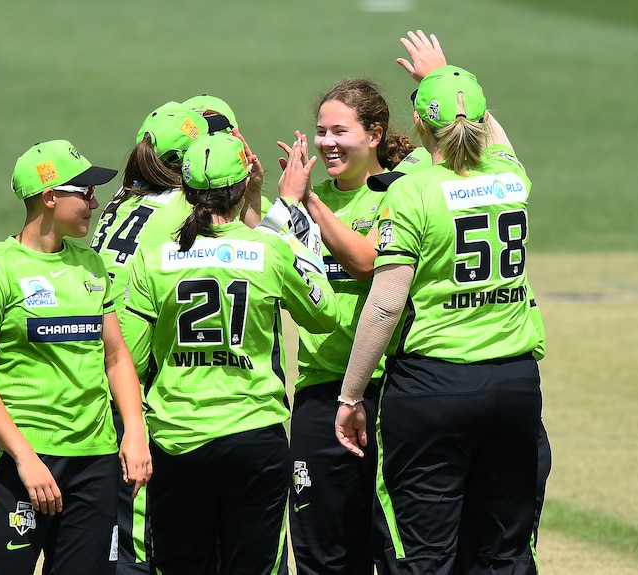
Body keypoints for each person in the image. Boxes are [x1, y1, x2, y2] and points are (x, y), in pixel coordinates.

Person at [335, 30, 543, 575]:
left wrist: (351, 395)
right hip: (516, 385)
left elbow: (384, 306)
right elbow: (493, 134)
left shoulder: (413, 189)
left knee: (424, 555)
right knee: (504, 552)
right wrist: (447, 79)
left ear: (420, 126)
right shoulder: (511, 179)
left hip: (434, 390)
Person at [118, 131, 341, 574]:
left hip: (178, 439)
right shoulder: (270, 250)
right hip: (254, 436)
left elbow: (132, 353)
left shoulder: (155, 256)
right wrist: (293, 232)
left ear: (185, 191)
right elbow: (325, 316)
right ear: (242, 188)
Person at [0, 139, 152, 575]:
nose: (95, 202)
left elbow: (116, 357)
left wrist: (134, 431)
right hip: (21, 461)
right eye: (83, 193)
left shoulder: (92, 266)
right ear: (50, 197)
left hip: (94, 461)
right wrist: (26, 459)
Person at [90, 99, 261, 573]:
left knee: (120, 528)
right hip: (139, 375)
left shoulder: (119, 203)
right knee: (148, 537)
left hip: (99, 367)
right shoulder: (182, 211)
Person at [269, 78, 422, 575]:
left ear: (374, 135)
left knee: (390, 544)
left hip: (384, 391)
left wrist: (309, 202)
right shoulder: (311, 202)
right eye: (320, 132)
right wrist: (262, 194)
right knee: (320, 548)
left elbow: (365, 260)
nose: (327, 143)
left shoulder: (398, 193)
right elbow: (264, 258)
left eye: (340, 131)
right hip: (318, 389)